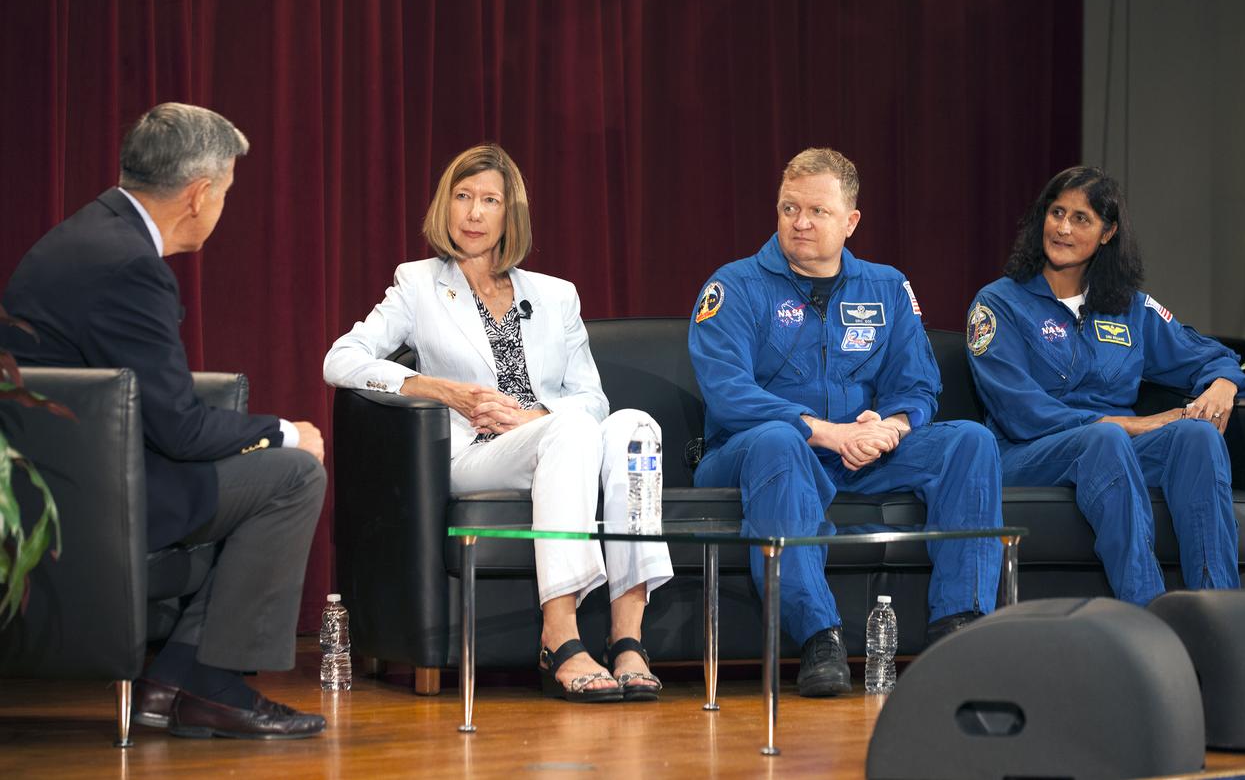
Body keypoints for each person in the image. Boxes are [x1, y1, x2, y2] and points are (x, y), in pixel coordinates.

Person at [1, 103, 328, 739]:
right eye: (228, 192)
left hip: (63, 470)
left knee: (265, 464)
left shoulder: (88, 233)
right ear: (200, 194)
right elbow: (176, 429)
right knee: (293, 473)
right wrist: (285, 431)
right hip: (82, 498)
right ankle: (202, 683)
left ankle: (179, 680)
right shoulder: (128, 266)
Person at [324, 144, 672, 702]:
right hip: (476, 453)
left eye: (491, 200)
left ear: (512, 215)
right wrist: (439, 390)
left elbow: (592, 399)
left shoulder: (556, 296)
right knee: (572, 431)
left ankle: (627, 639)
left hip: (553, 434)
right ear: (446, 206)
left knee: (636, 428)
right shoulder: (418, 284)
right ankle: (559, 636)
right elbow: (340, 360)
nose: (475, 213)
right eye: (463, 197)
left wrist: (536, 414)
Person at [688, 148, 1004, 697]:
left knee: (970, 442)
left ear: (851, 221)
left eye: (817, 211)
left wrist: (891, 428)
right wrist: (828, 432)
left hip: (860, 453)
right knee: (778, 438)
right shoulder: (734, 286)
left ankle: (962, 628)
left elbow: (919, 385)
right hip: (754, 454)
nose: (800, 223)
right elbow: (728, 392)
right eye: (789, 209)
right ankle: (820, 637)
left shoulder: (887, 288)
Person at [966, 165, 1245, 605]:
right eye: (1056, 212)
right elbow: (1020, 412)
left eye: (1081, 218)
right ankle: (1148, 614)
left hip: (1112, 450)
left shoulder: (1129, 307)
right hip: (1025, 454)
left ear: (1107, 232)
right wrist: (1127, 424)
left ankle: (1218, 612)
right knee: (1104, 438)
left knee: (1196, 436)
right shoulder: (998, 303)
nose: (1062, 227)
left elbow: (1209, 355)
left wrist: (1222, 386)